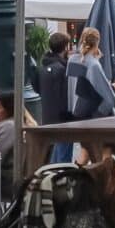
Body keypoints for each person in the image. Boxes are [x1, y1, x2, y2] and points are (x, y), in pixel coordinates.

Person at [40, 32, 74, 163]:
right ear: (65, 48)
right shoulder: (62, 69)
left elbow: (38, 88)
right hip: (63, 120)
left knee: (53, 158)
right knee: (62, 158)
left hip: (47, 117)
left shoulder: (43, 67)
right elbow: (65, 96)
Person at [72, 28, 115, 121]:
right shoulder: (93, 65)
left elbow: (83, 88)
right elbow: (111, 99)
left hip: (77, 115)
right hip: (91, 118)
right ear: (97, 42)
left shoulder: (73, 60)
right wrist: (97, 118)